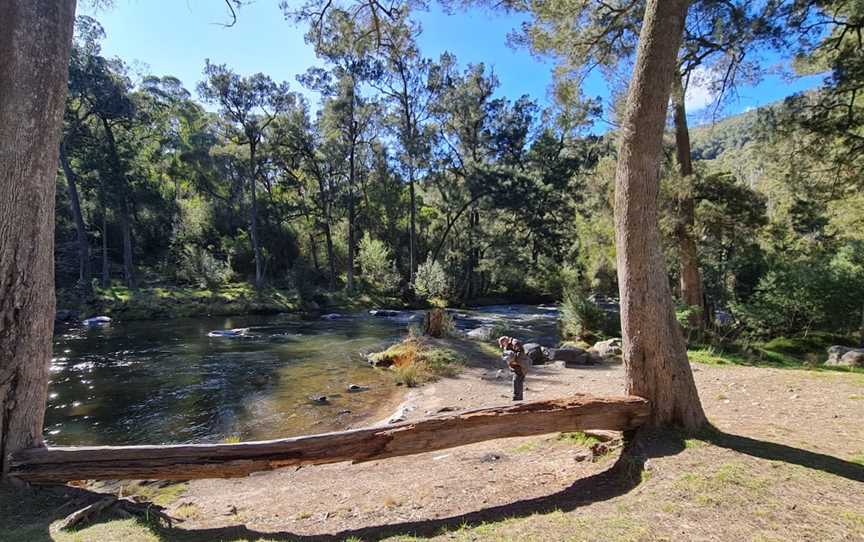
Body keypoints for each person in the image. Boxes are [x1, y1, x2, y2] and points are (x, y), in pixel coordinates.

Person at [498, 336, 529, 401]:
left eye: (503, 344)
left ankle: (517, 398)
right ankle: (518, 397)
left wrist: (515, 360)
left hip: (521, 366)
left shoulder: (515, 343)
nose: (503, 346)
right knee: (517, 381)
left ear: (505, 341)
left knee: (517, 380)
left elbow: (521, 354)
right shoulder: (508, 345)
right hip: (515, 367)